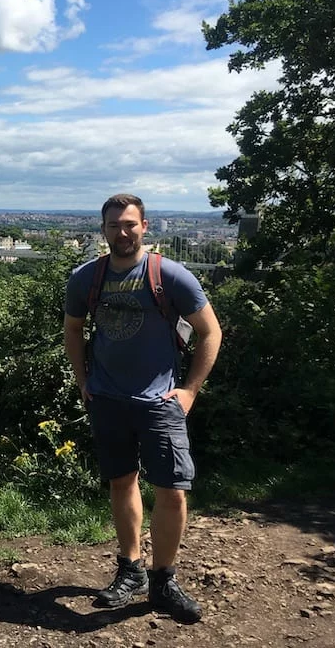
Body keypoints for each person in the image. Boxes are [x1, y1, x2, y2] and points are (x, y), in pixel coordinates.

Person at [63, 193, 222, 624]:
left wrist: (189, 391)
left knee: (172, 490)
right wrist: (84, 382)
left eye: (130, 224)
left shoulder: (169, 275)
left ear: (144, 227)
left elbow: (210, 333)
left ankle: (163, 579)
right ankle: (130, 569)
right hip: (108, 399)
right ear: (103, 229)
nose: (122, 232)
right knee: (121, 482)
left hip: (160, 401)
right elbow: (73, 330)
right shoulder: (85, 279)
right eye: (114, 225)